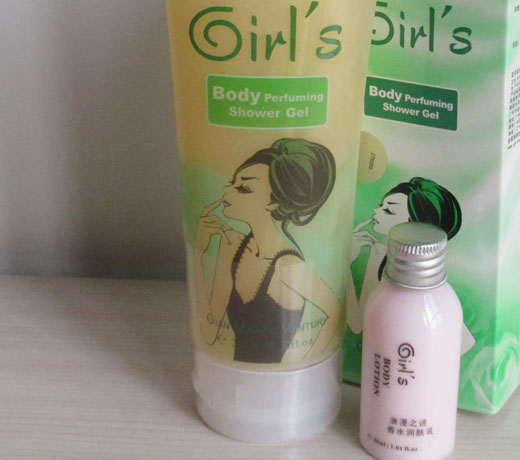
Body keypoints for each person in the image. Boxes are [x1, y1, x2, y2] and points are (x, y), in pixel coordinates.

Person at [192, 138, 342, 364]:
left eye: (243, 188)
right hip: (227, 373)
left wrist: (301, 363)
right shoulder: (231, 245)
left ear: (273, 202)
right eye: (233, 182)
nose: (227, 190)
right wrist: (199, 252)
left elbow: (334, 310)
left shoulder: (287, 265)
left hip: (285, 380)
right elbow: (209, 331)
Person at [346, 177, 463, 335]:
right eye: (381, 205)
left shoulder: (443, 302)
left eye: (388, 210)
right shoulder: (379, 253)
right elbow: (357, 323)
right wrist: (348, 260)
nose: (375, 211)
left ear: (415, 224)